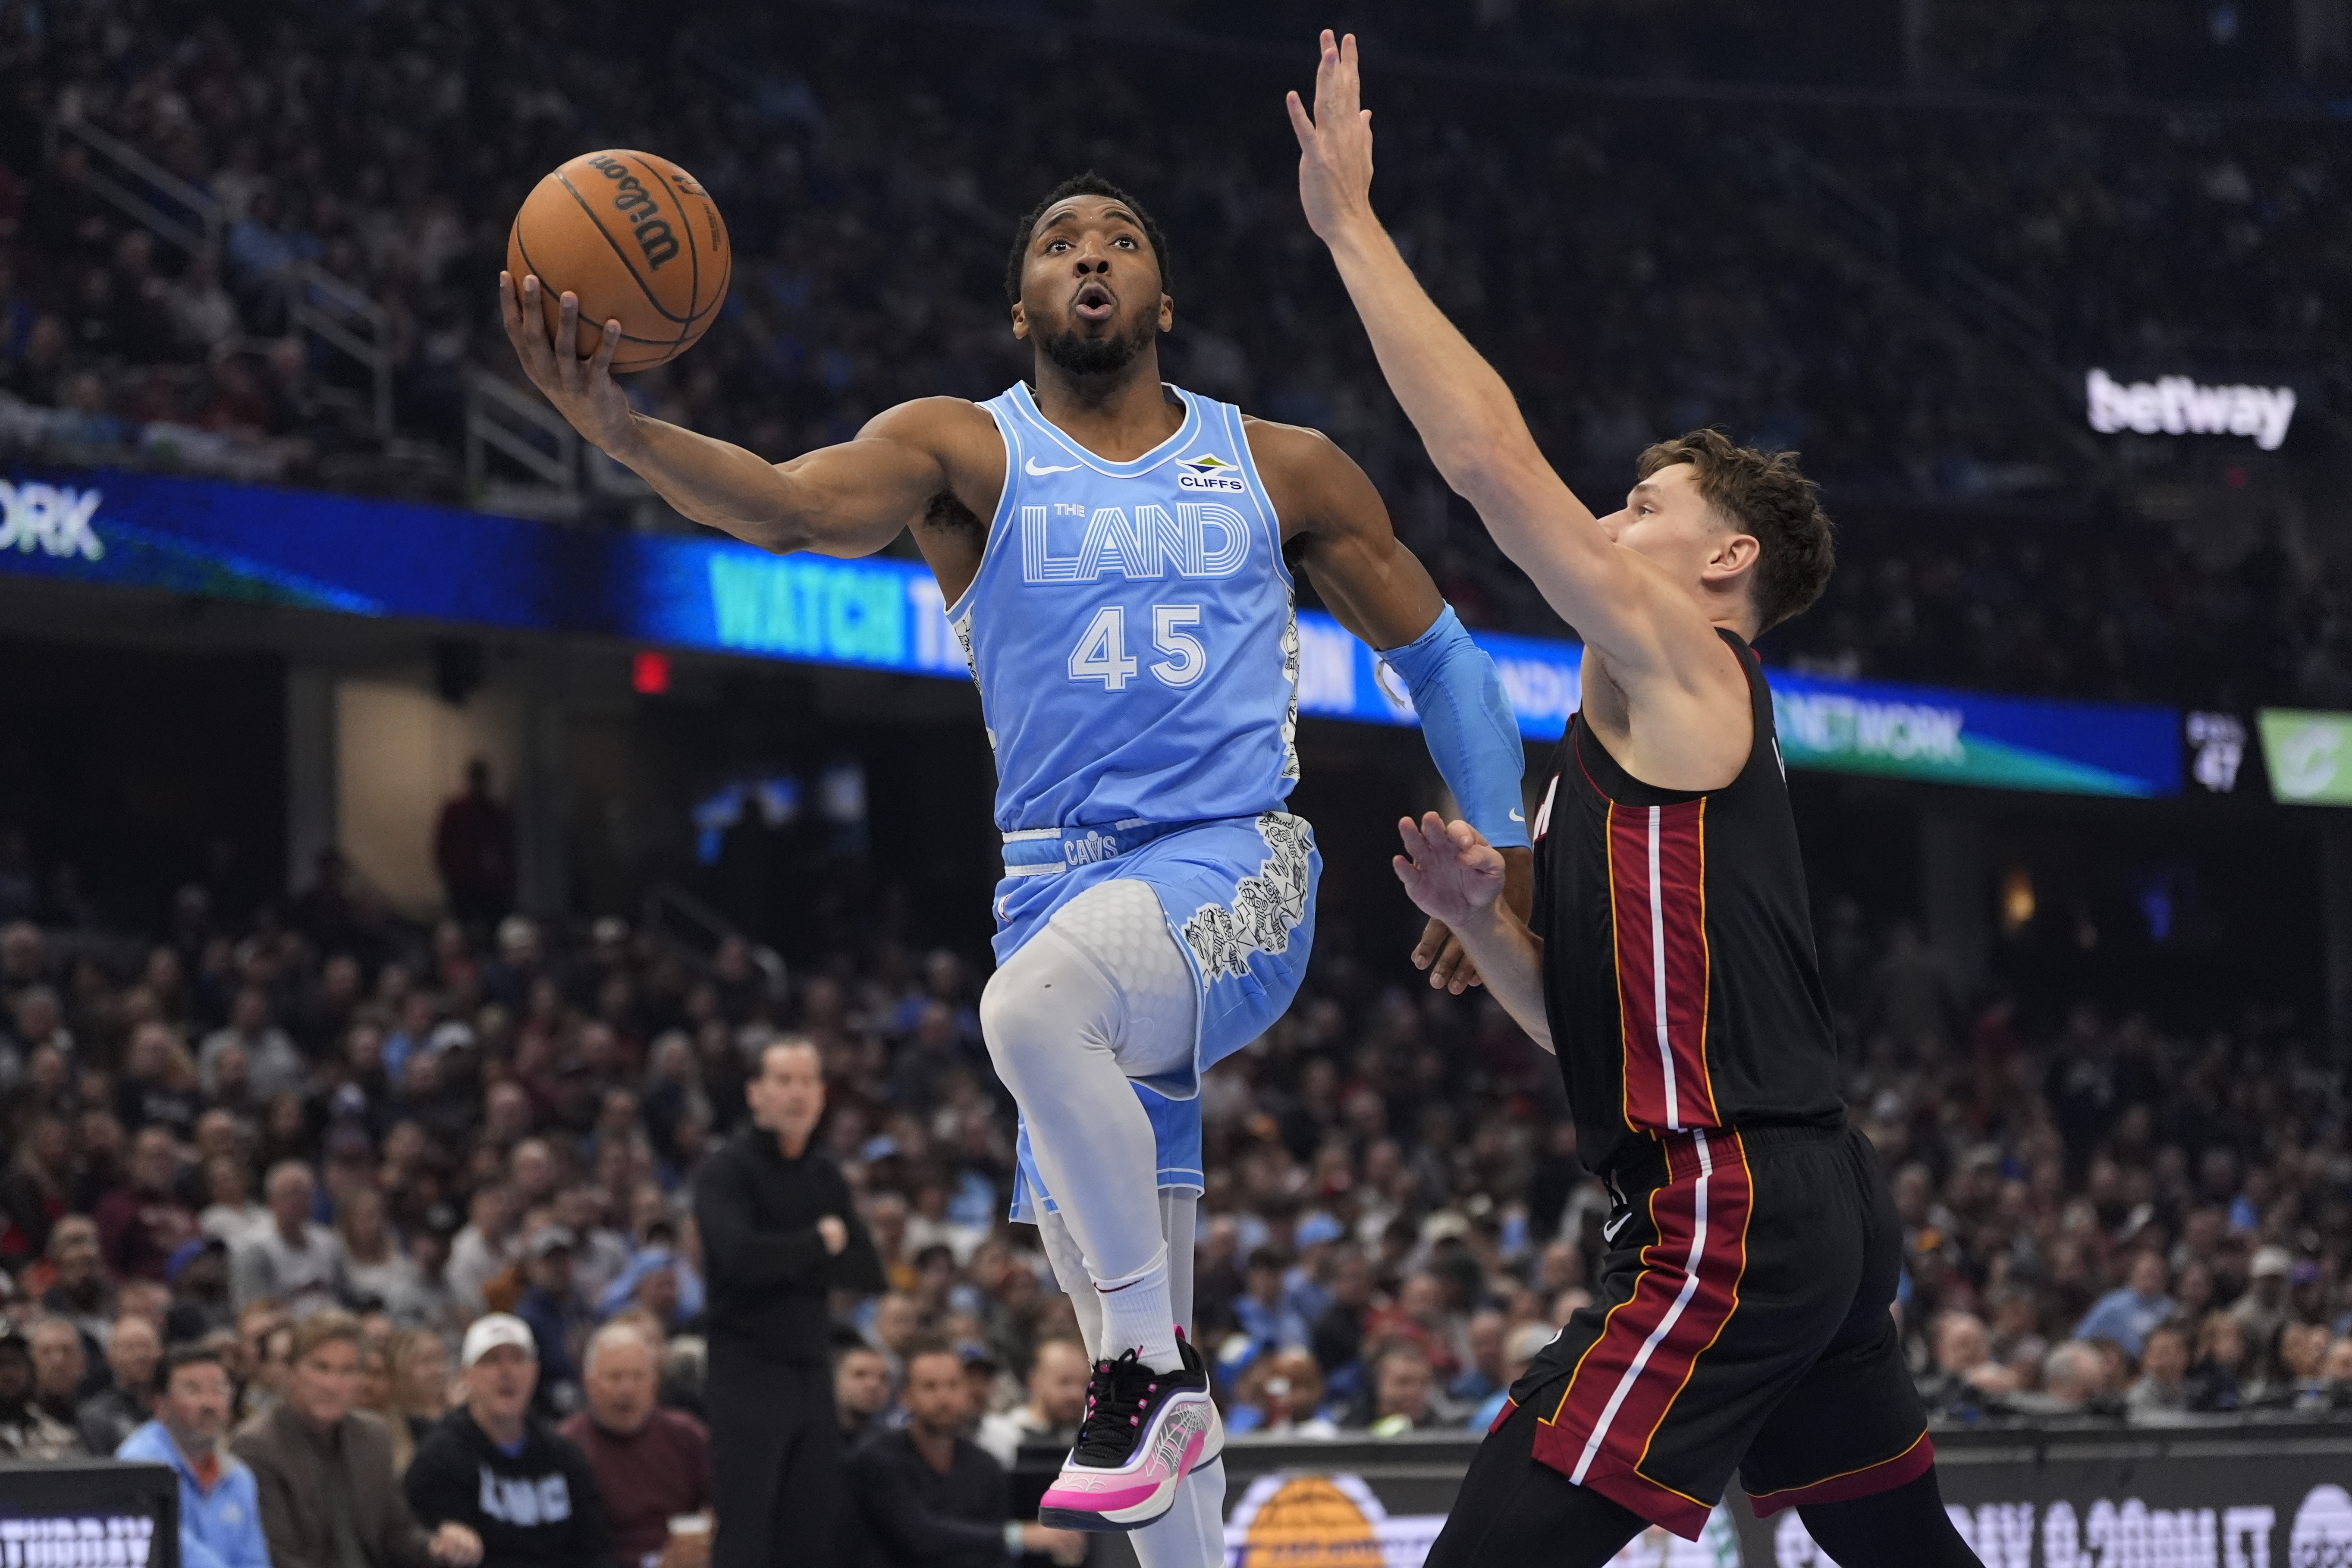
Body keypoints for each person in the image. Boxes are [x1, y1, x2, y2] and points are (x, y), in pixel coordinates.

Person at [504, 145, 1533, 1552]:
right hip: (1058, 891)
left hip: (1235, 867)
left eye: (1118, 237)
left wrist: (1501, 846)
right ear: (1022, 306)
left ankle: (1143, 1373)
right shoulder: (962, 452)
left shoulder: (1279, 463)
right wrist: (622, 433)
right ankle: (1156, 1396)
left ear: (1162, 296)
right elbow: (789, 504)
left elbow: (1446, 659)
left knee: (1036, 1037)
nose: (1090, 253)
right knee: (1137, 1329)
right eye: (1059, 242)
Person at [1289, 31, 1976, 1566]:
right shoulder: (1607, 759)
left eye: (1644, 506)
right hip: (1787, 1194)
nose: (1606, 519)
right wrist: (1489, 920)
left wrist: (1350, 227)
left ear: (1725, 563)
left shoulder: (1687, 659)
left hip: (1727, 1203)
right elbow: (1579, 1032)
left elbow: (1478, 456)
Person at [691, 1039, 884, 1568]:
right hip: (747, 1369)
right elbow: (737, 1259)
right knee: (747, 1527)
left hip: (812, 1371)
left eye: (807, 1081)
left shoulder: (823, 1174)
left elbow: (866, 1268)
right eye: (783, 1080)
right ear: (755, 1092)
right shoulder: (724, 1171)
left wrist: (784, 1254)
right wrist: (818, 1244)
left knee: (809, 1529)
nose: (796, 1093)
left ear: (822, 1095)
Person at [232, 1309, 485, 1568]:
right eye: (321, 1368)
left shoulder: (373, 1435)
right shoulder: (257, 1446)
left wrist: (437, 1546)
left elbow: (396, 1533)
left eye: (348, 1370)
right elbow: (278, 1555)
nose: (333, 1384)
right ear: (292, 1371)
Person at [849, 1337, 1087, 1568]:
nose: (944, 1398)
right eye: (930, 1387)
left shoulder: (986, 1466)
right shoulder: (878, 1458)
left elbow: (996, 1556)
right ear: (906, 1396)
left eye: (953, 1385)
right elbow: (920, 1536)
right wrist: (1017, 1535)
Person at [404, 1314, 614, 1568]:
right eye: (492, 1361)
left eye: (518, 1359)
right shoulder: (439, 1458)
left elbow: (596, 1548)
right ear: (467, 1375)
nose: (507, 1372)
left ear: (535, 1371)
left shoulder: (564, 1456)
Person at [559, 1323, 713, 1568]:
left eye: (638, 1376)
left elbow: (727, 1501)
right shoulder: (566, 1446)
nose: (627, 1389)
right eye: (615, 1377)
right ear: (589, 1384)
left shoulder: (686, 1435)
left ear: (654, 1383)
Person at [116, 1343, 272, 1568]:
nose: (209, 1403)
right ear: (160, 1406)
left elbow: (255, 1561)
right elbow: (170, 1554)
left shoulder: (239, 1477)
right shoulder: (138, 1466)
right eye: (193, 1390)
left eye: (219, 1390)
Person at [232, 1160, 346, 1316]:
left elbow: (346, 1296)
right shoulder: (255, 1249)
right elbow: (255, 1312)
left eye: (305, 1194)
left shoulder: (328, 1241)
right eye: (290, 1194)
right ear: (271, 1201)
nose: (298, 1201)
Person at [974, 1335, 1088, 1469]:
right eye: (1065, 1382)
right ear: (1034, 1382)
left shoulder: (1090, 1439)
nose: (1077, 1394)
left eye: (1084, 1383)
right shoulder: (1002, 1435)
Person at [435, 760, 517, 925]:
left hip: (487, 887)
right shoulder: (458, 811)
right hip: (466, 885)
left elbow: (505, 850)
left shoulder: (493, 813)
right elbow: (443, 848)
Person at [76, 1310, 160, 1455]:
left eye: (147, 1346)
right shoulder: (96, 1416)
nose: (141, 1356)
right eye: (130, 1348)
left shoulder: (175, 1409)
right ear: (110, 1358)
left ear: (160, 1353)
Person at [0, 1320, 80, 1458]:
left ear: (31, 1370)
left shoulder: (57, 1437)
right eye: (1, 1363)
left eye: (16, 1363)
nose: (9, 1373)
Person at [2074, 1250, 2174, 1359]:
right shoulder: (2113, 1304)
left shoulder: (2169, 1307)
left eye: (2157, 1274)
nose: (2152, 1278)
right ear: (2133, 1274)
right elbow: (2081, 1338)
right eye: (2147, 1274)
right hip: (2122, 1365)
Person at [835, 1342, 894, 1445]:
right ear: (836, 1380)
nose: (873, 1385)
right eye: (860, 1375)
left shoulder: (892, 1446)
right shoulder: (810, 1437)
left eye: (883, 1378)